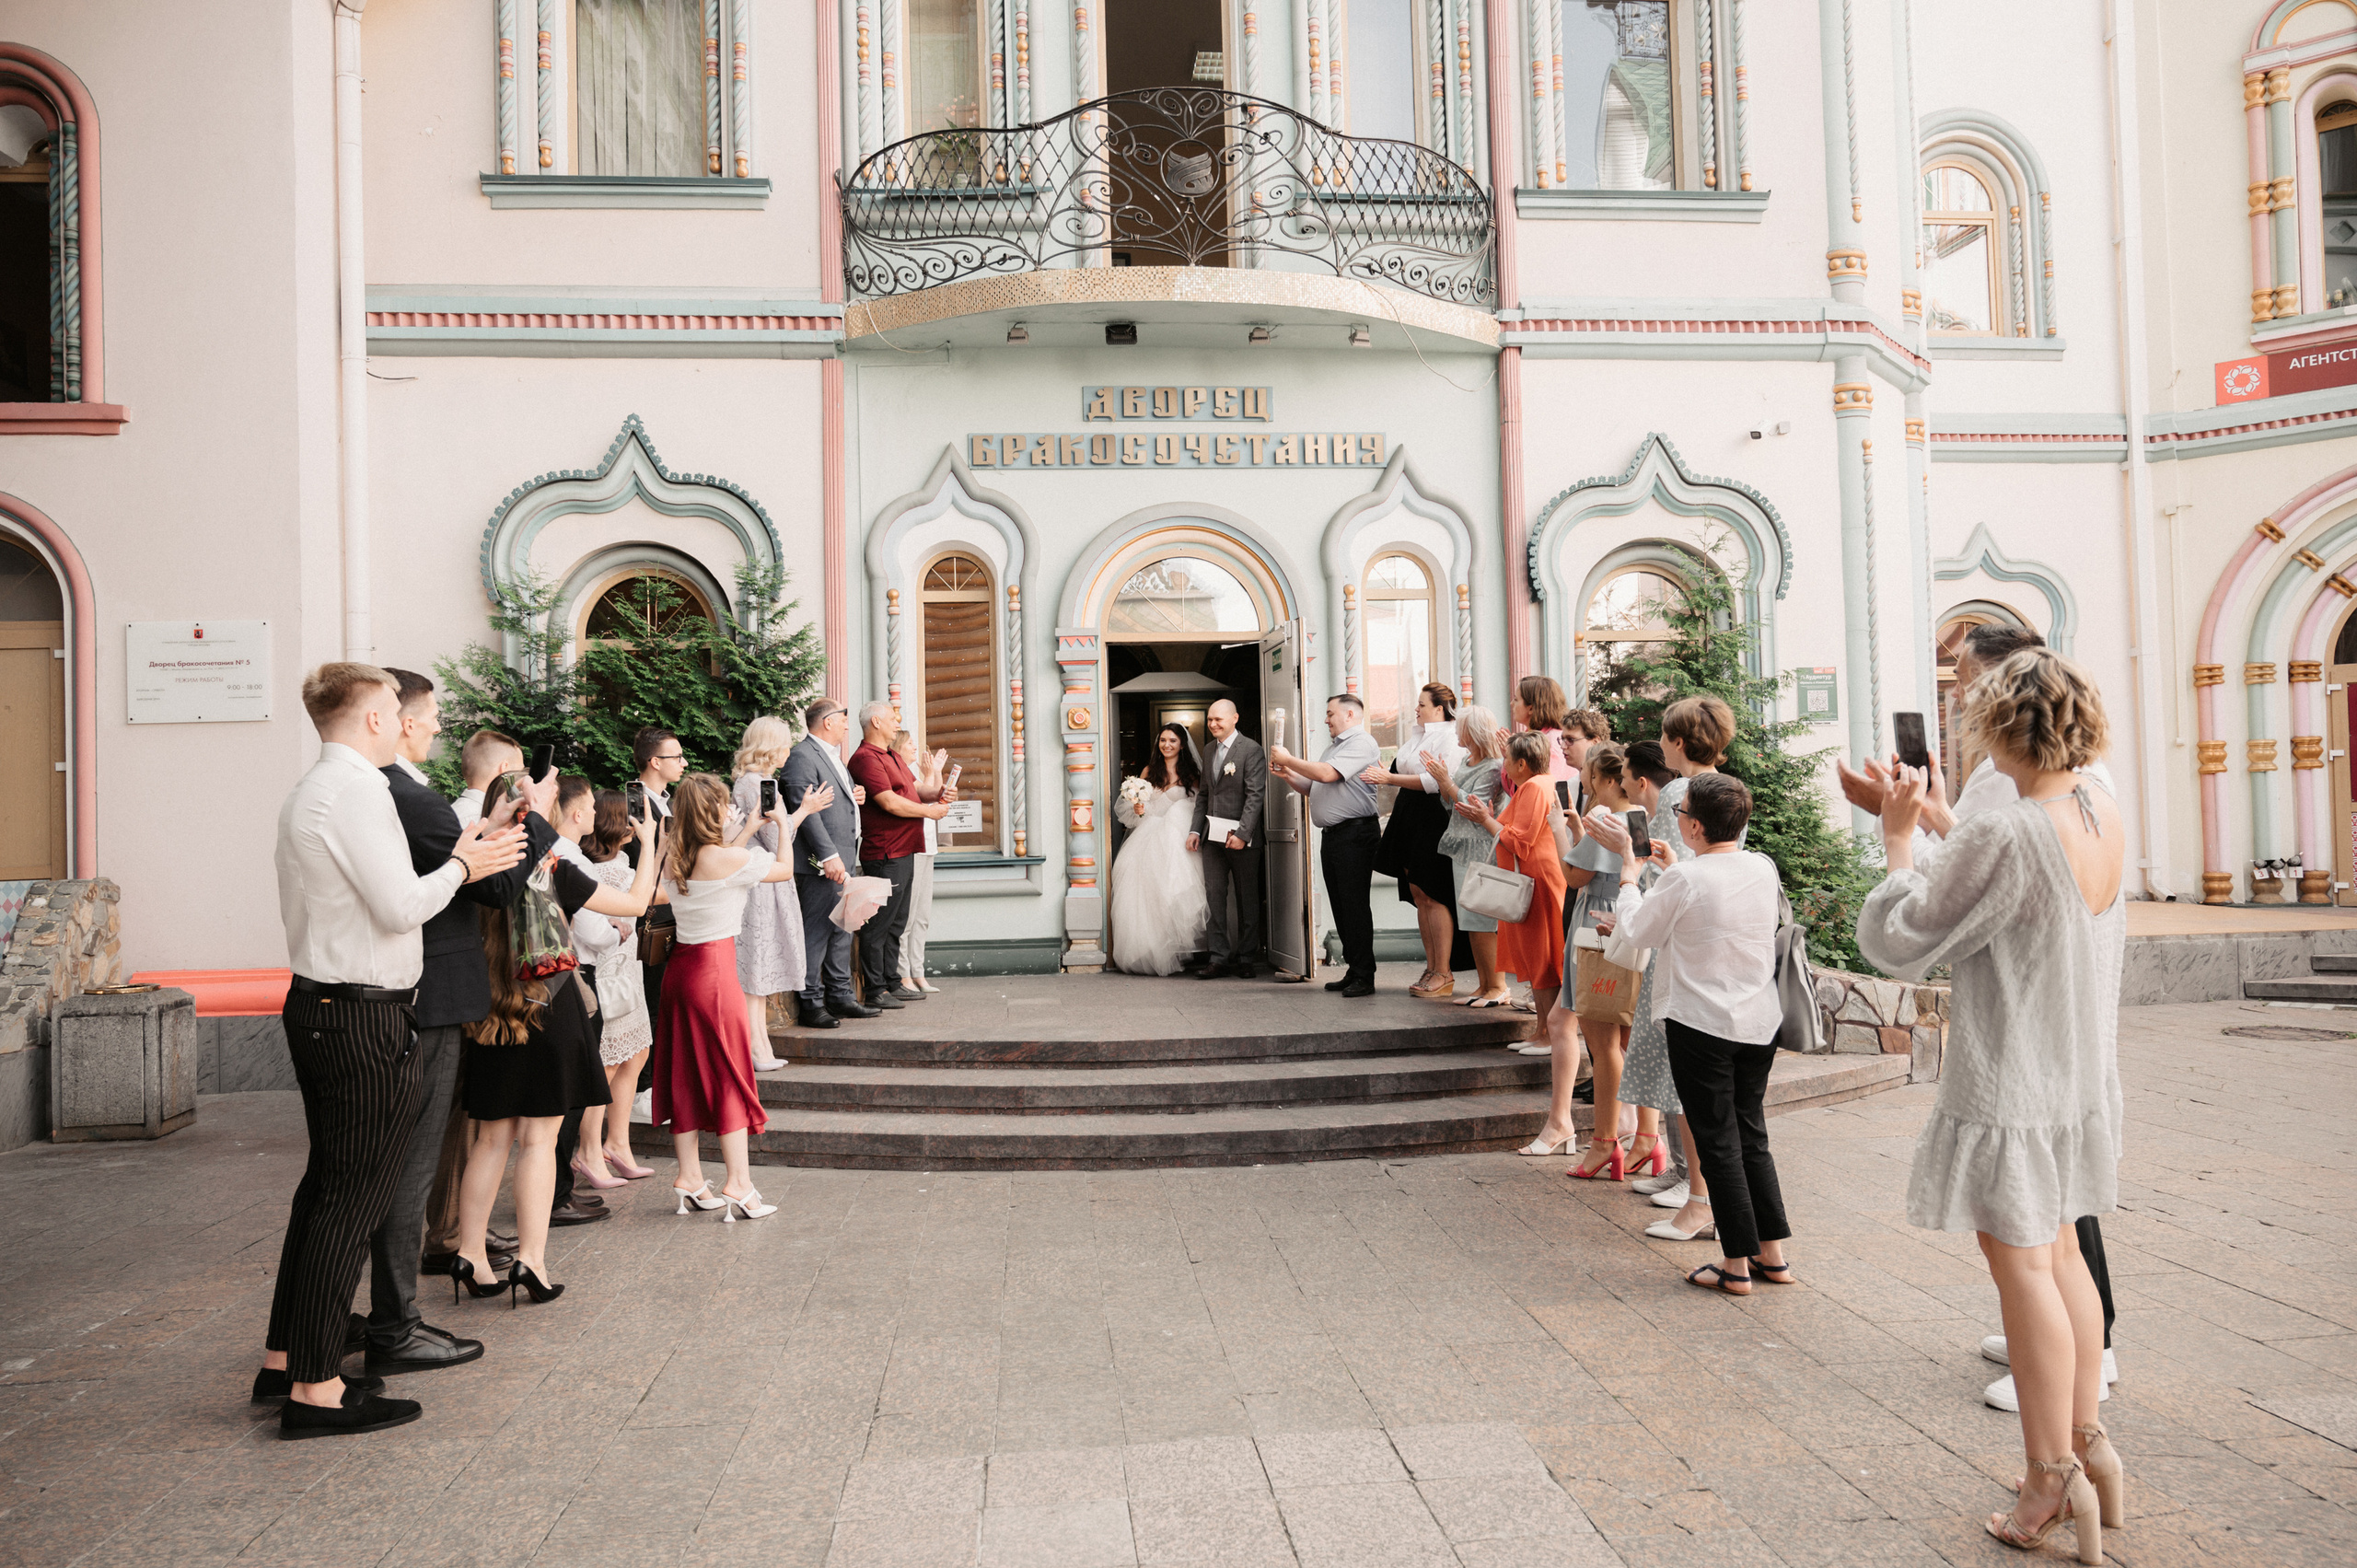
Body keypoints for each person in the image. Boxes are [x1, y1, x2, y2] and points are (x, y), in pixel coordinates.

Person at [1857, 648, 2126, 1562]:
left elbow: (1904, 937)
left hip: (2013, 1071)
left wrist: (1899, 840)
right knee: (2063, 1254)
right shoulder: (2097, 803)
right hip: (2074, 1070)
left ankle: (2050, 1474)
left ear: (2002, 727)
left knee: (2022, 1271)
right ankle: (2089, 1446)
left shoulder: (2010, 827)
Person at [262, 662, 524, 1438]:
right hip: (360, 1015)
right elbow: (401, 904)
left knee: (325, 1195)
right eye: (399, 709)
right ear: (376, 716)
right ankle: (315, 1388)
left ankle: (287, 1358)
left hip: (325, 1003)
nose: (421, 723)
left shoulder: (317, 786)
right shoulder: (356, 790)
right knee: (350, 1203)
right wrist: (464, 864)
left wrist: (460, 851)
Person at [364, 671, 555, 1382]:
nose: (440, 726)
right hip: (433, 994)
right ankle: (396, 1322)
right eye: (433, 714)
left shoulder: (386, 793)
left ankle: (391, 1311)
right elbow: (498, 886)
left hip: (411, 990)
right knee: (411, 1165)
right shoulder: (411, 798)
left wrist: (492, 829)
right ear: (402, 721)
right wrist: (534, 818)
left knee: (404, 1162)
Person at [450, 771, 660, 1307]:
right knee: (540, 1141)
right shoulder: (552, 867)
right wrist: (651, 846)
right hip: (548, 1003)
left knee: (491, 1139)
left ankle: (469, 1253)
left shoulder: (473, 862)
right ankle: (532, 1260)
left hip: (491, 1007)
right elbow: (636, 905)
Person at [1588, 772, 1793, 1298]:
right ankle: (1771, 1255)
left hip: (1701, 1022)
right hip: (1757, 1019)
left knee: (1717, 1140)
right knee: (1751, 1136)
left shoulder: (1687, 878)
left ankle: (1734, 1266)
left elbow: (1637, 930)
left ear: (1696, 826)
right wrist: (1672, 866)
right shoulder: (1761, 866)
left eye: (1681, 815)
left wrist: (1630, 874)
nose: (1678, 821)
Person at [656, 772, 835, 1219]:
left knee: (684, 1073)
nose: (729, 809)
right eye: (723, 804)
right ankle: (739, 1183)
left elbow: (722, 859)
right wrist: (782, 827)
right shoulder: (725, 858)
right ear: (712, 812)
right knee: (730, 1074)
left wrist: (751, 826)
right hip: (715, 975)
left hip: (680, 972)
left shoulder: (677, 854)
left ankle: (690, 1176)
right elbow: (782, 871)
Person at [1620, 693, 1741, 1236]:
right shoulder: (1728, 787)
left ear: (1677, 741)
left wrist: (1632, 874)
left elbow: (1666, 872)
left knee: (1679, 1062)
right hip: (1711, 938)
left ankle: (1693, 1182)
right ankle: (1684, 1172)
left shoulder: (1679, 790)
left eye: (1666, 735)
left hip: (1677, 937)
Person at [1453, 733, 1573, 1144]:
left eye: (1507, 759)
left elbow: (1519, 840)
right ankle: (1541, 1029)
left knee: (1543, 955)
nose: (1503, 765)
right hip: (1531, 879)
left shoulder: (1537, 786)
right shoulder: (1531, 785)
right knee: (1534, 955)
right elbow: (1510, 829)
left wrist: (1485, 820)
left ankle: (1548, 1032)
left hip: (1539, 880)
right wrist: (1486, 816)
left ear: (1522, 763)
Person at [1565, 743, 1664, 1182]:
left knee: (1602, 1044)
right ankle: (1648, 1137)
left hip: (1599, 922)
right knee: (1631, 1037)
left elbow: (1574, 876)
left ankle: (1605, 1142)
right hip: (1635, 916)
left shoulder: (1604, 820)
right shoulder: (1640, 818)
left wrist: (1563, 831)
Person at [565, 786, 656, 1188]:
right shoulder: (600, 871)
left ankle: (617, 1143)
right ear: (618, 825)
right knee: (607, 1064)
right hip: (605, 974)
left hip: (626, 972)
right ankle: (589, 1150)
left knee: (636, 1055)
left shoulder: (621, 864)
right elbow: (603, 929)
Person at [1271, 694, 1384, 995]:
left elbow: (1326, 773)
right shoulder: (1334, 747)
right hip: (1335, 835)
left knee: (1354, 905)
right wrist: (1288, 775)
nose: (1326, 719)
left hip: (1355, 834)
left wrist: (1288, 759)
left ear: (1350, 715)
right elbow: (1315, 786)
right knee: (1341, 905)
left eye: (1330, 713)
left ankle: (1364, 976)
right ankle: (1354, 969)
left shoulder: (1362, 742)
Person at [847, 701, 955, 1007]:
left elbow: (917, 790)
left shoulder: (892, 756)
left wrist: (941, 793)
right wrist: (929, 812)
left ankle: (893, 982)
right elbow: (889, 802)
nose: (898, 724)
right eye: (893, 719)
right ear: (876, 722)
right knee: (879, 923)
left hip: (906, 849)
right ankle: (875, 990)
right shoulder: (866, 758)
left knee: (897, 922)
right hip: (885, 851)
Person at [1365, 683, 1469, 1000]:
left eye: (1422, 704)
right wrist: (1389, 775)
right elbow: (1399, 768)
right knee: (1418, 893)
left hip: (1432, 817)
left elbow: (1436, 782)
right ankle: (1431, 966)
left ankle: (1444, 970)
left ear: (1439, 708)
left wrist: (1390, 779)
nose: (1417, 709)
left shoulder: (1450, 737)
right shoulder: (1417, 736)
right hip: (1408, 814)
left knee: (1433, 892)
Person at [784, 699, 874, 1028]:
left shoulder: (832, 755)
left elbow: (837, 801)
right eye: (844, 719)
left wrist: (855, 793)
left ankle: (841, 996)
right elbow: (806, 811)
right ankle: (811, 1002)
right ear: (828, 722)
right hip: (820, 862)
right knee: (817, 931)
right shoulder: (802, 756)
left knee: (842, 928)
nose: (848, 725)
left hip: (845, 856)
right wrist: (828, 855)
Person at [730, 715, 807, 1070]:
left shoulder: (752, 782)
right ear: (770, 747)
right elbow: (778, 839)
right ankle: (755, 1047)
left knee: (757, 970)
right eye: (785, 744)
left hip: (762, 878)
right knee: (756, 968)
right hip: (762, 882)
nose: (788, 750)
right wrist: (802, 813)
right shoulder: (759, 784)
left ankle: (760, 1044)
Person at [1430, 704, 1513, 1008]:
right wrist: (1445, 785)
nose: (1456, 732)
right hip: (1461, 845)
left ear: (1473, 732)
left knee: (1484, 920)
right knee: (1470, 919)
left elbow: (1474, 805)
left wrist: (1447, 783)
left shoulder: (1492, 766)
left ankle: (1498, 986)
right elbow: (1451, 803)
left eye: (1460, 727)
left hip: (1482, 848)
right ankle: (1484, 984)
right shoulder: (1467, 760)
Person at [1111, 721, 1208, 974]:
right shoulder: (1149, 771)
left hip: (1178, 840)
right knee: (1147, 893)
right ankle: (1151, 951)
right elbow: (1136, 811)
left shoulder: (1191, 774)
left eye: (1172, 741)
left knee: (1174, 890)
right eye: (1163, 740)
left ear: (1182, 745)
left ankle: (1176, 949)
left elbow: (1200, 807)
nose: (1167, 745)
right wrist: (1138, 809)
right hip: (1147, 837)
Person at [1188, 698, 1268, 980]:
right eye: (1210, 719)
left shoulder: (1251, 749)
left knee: (1247, 898)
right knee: (1214, 896)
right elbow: (1204, 795)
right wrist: (1195, 830)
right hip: (1212, 838)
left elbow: (1255, 795)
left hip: (1242, 839)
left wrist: (1243, 834)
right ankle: (1218, 958)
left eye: (1218, 719)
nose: (1213, 724)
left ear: (1234, 718)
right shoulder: (1209, 749)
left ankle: (1246, 957)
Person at [895, 729, 947, 992]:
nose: (915, 747)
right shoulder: (900, 776)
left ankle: (918, 971)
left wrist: (936, 771)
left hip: (928, 848)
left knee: (922, 916)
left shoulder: (914, 775)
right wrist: (930, 774)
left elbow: (937, 796)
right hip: (912, 848)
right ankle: (903, 973)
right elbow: (918, 802)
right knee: (907, 916)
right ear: (898, 748)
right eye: (910, 743)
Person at [450, 728, 523, 828]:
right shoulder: (476, 818)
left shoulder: (459, 813)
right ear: (505, 769)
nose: (521, 777)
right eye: (519, 770)